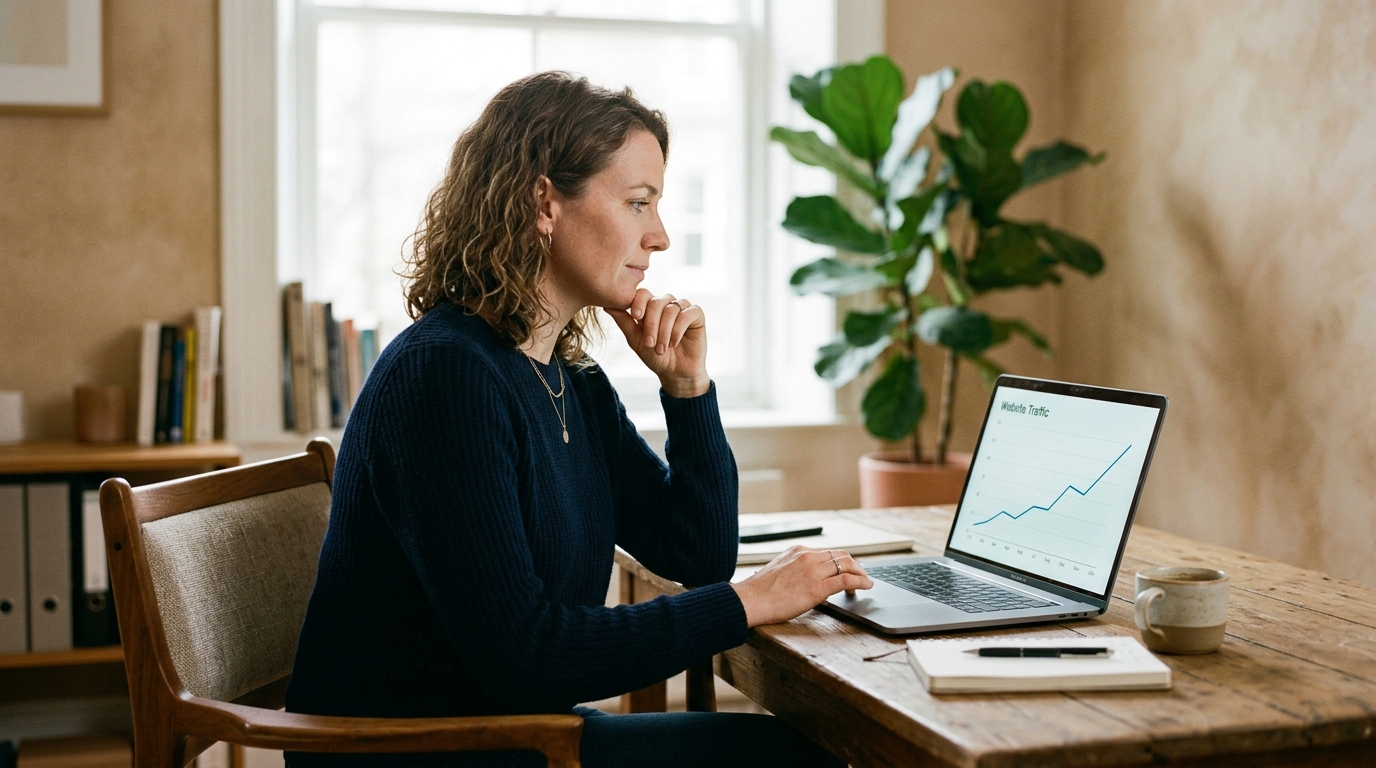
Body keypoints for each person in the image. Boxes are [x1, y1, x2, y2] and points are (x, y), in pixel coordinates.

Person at [284, 71, 873, 768]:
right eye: (637, 203)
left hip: (509, 727)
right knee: (800, 758)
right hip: (418, 749)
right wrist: (749, 601)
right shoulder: (444, 378)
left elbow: (694, 556)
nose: (658, 236)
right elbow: (526, 656)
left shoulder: (567, 376)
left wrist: (688, 390)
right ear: (544, 203)